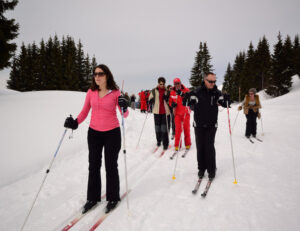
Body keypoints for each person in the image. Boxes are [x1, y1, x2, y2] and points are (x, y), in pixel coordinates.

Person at [64, 64, 129, 214]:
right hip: (94, 133)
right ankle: (92, 198)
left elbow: (124, 115)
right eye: (95, 74)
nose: (97, 76)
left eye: (100, 73)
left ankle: (113, 197)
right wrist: (75, 123)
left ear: (107, 76)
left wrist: (125, 105)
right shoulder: (91, 92)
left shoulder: (115, 93)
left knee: (110, 165)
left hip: (112, 133)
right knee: (93, 165)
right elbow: (84, 112)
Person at [184, 72, 230, 180]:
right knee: (200, 147)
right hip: (199, 124)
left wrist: (227, 100)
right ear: (205, 80)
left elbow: (224, 103)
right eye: (210, 81)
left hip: (211, 124)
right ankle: (201, 168)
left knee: (209, 147)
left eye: (214, 81)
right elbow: (187, 102)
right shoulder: (197, 92)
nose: (212, 83)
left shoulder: (217, 93)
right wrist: (186, 99)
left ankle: (211, 169)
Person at [169, 78, 191, 151]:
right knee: (178, 130)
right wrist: (172, 104)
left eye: (178, 83)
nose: (177, 85)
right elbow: (170, 102)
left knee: (186, 129)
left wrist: (182, 95)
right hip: (177, 114)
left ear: (180, 83)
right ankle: (177, 145)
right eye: (175, 84)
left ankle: (187, 144)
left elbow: (190, 99)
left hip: (185, 113)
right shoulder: (172, 92)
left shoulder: (186, 90)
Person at [148, 77, 170, 150]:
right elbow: (150, 98)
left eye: (163, 84)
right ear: (158, 83)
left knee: (164, 128)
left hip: (164, 111)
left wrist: (166, 98)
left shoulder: (166, 90)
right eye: (161, 84)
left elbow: (170, 100)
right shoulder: (154, 91)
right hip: (156, 111)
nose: (162, 85)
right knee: (157, 128)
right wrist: (150, 100)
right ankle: (158, 140)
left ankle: (165, 143)